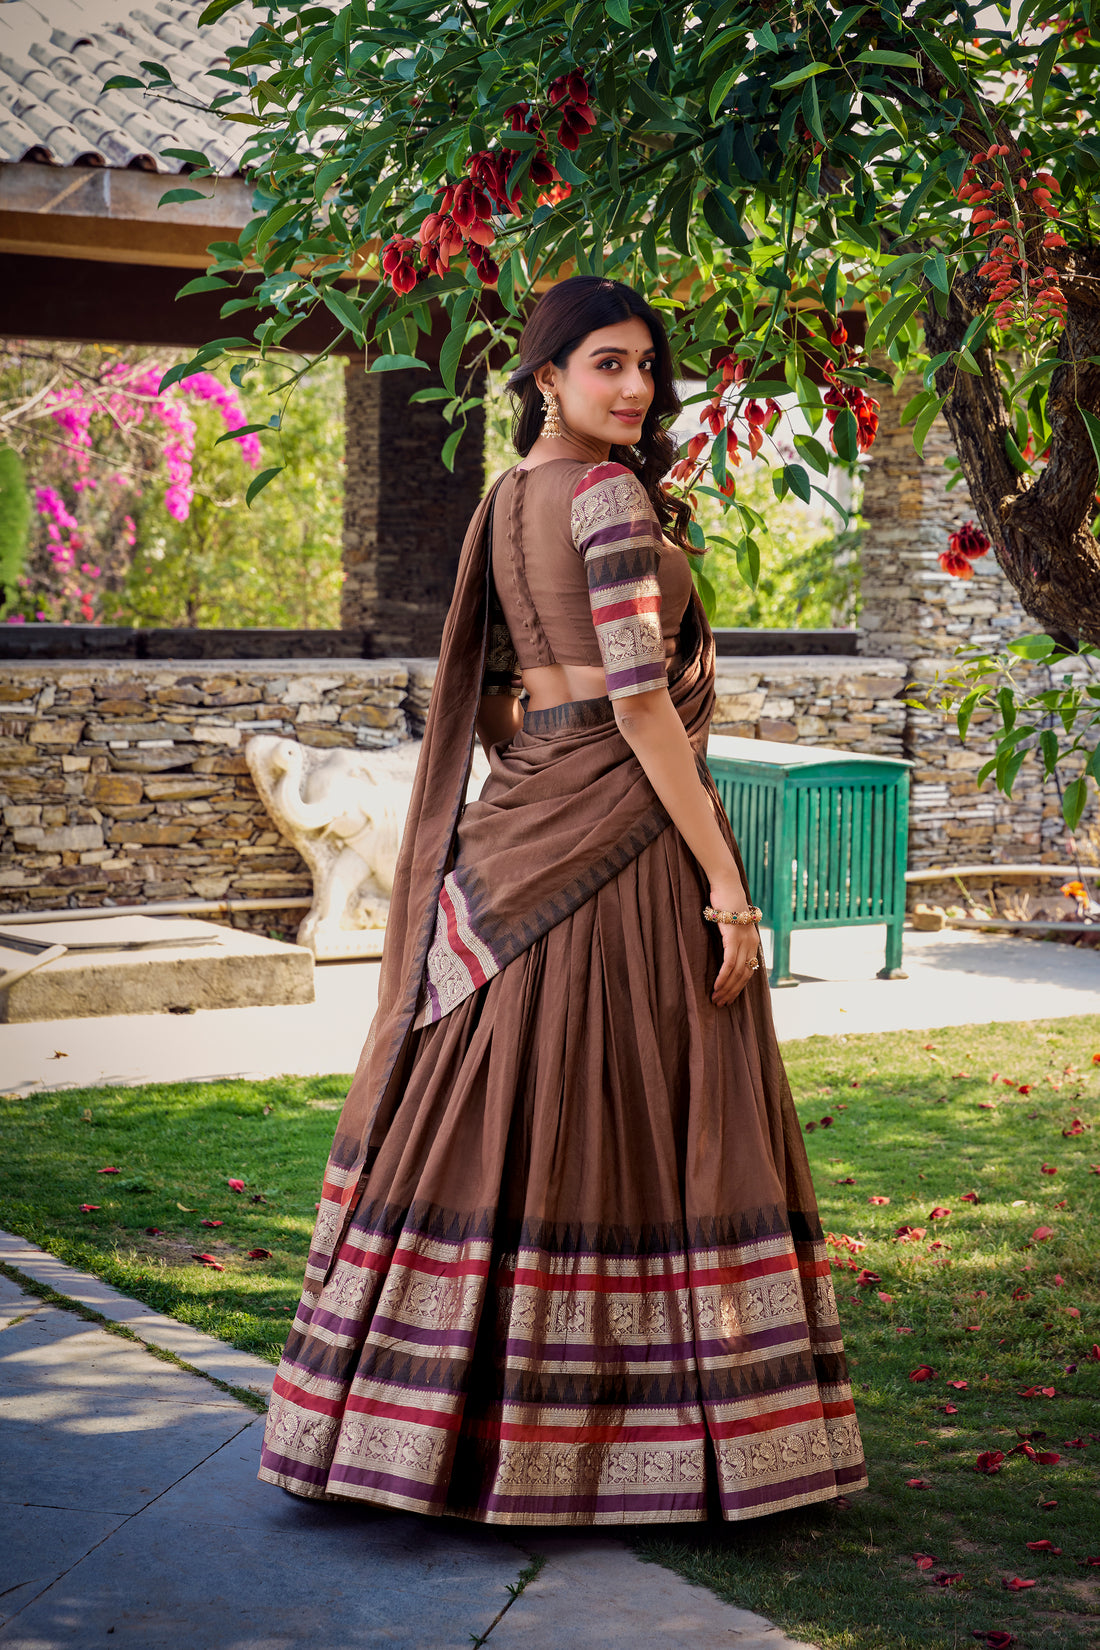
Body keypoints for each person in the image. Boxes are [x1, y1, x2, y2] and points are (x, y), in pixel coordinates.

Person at [259, 276, 867, 1526]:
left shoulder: (505, 500)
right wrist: (726, 886)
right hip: (620, 839)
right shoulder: (603, 495)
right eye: (607, 363)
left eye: (647, 362)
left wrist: (538, 770)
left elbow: (488, 685)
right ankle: (620, 1446)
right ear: (545, 377)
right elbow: (642, 704)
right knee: (640, 1103)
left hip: (527, 816)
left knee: (503, 1099)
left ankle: (408, 1429)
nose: (636, 386)